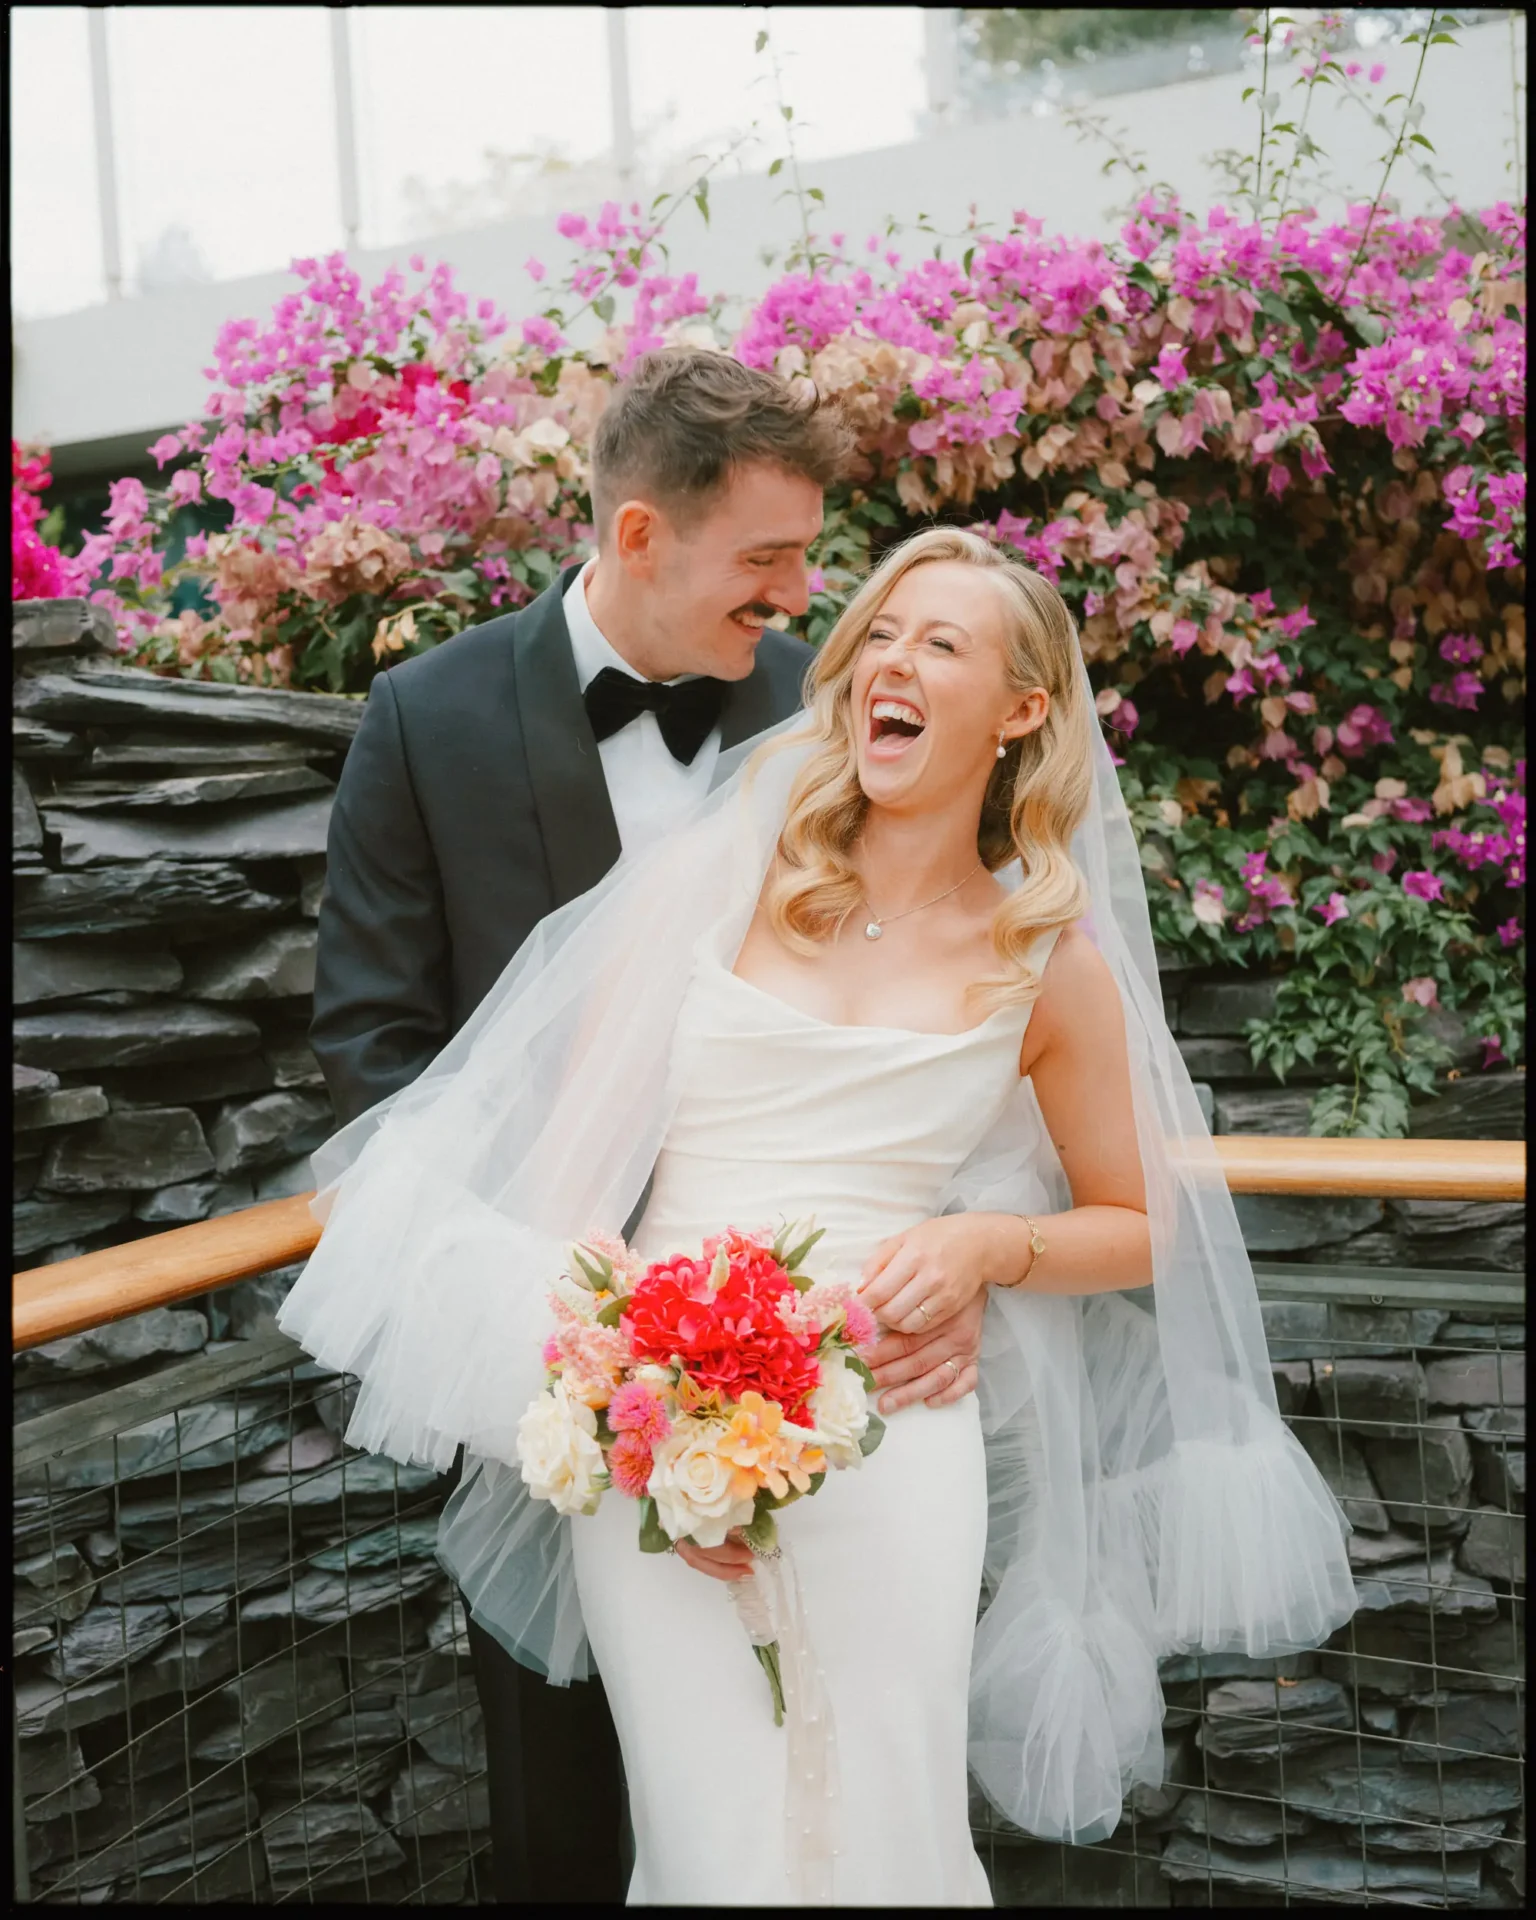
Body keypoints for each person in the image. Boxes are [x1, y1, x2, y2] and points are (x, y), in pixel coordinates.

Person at [287, 527, 1356, 1906]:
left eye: (942, 643)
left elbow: (1139, 1219)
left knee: (885, 1827)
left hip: (891, 1437)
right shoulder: (711, 879)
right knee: (709, 1842)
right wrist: (647, 1433)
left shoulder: (1050, 962)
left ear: (1023, 711)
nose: (891, 662)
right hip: (656, 1437)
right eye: (882, 635)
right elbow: (565, 1195)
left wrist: (991, 1247)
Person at [306, 351, 990, 1903]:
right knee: (556, 1789)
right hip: (558, 1344)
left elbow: (937, 1006)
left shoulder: (832, 709)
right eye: (765, 558)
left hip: (814, 1356)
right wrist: (568, 1312)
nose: (798, 592)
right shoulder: (430, 717)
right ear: (635, 538)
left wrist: (970, 1260)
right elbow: (373, 1046)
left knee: (832, 1765)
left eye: (807, 554)